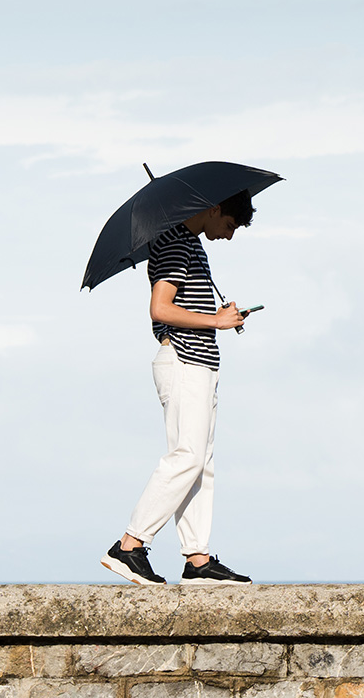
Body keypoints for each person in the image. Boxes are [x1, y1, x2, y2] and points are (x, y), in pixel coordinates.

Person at [99, 193, 259, 586]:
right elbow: (160, 309)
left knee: (201, 462)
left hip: (200, 362)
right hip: (184, 358)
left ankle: (197, 559)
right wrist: (216, 322)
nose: (230, 235)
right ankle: (129, 545)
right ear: (215, 209)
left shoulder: (192, 245)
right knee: (186, 456)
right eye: (231, 225)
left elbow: (191, 308)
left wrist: (223, 317)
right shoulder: (173, 242)